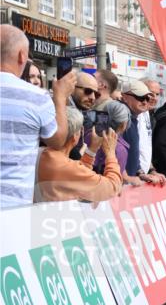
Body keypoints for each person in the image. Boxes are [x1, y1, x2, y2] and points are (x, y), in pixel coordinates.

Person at [0, 24, 74, 209]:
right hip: (13, 207)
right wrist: (60, 97)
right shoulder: (35, 96)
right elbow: (57, 140)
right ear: (21, 56)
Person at [35, 108, 123, 203]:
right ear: (75, 136)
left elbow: (77, 175)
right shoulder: (66, 167)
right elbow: (112, 187)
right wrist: (110, 153)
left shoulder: (41, 153)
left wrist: (92, 150)